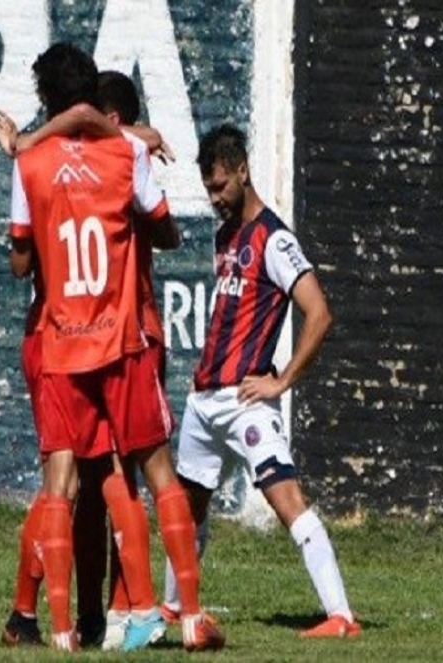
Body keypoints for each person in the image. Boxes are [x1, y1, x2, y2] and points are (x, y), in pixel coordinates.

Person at [6, 42, 224, 653]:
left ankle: (58, 629)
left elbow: (21, 263)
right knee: (153, 474)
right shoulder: (126, 154)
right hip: (123, 338)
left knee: (62, 483)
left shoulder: (29, 164)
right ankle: (186, 615)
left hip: (60, 344)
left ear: (46, 98)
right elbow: (167, 228)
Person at [161, 124, 361, 638]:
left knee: (285, 499)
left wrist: (283, 381)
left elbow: (319, 314)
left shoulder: (275, 239)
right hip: (206, 398)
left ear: (243, 172)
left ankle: (340, 616)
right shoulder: (223, 234)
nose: (214, 198)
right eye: (208, 188)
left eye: (221, 186)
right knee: (189, 504)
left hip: (247, 402)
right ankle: (171, 606)